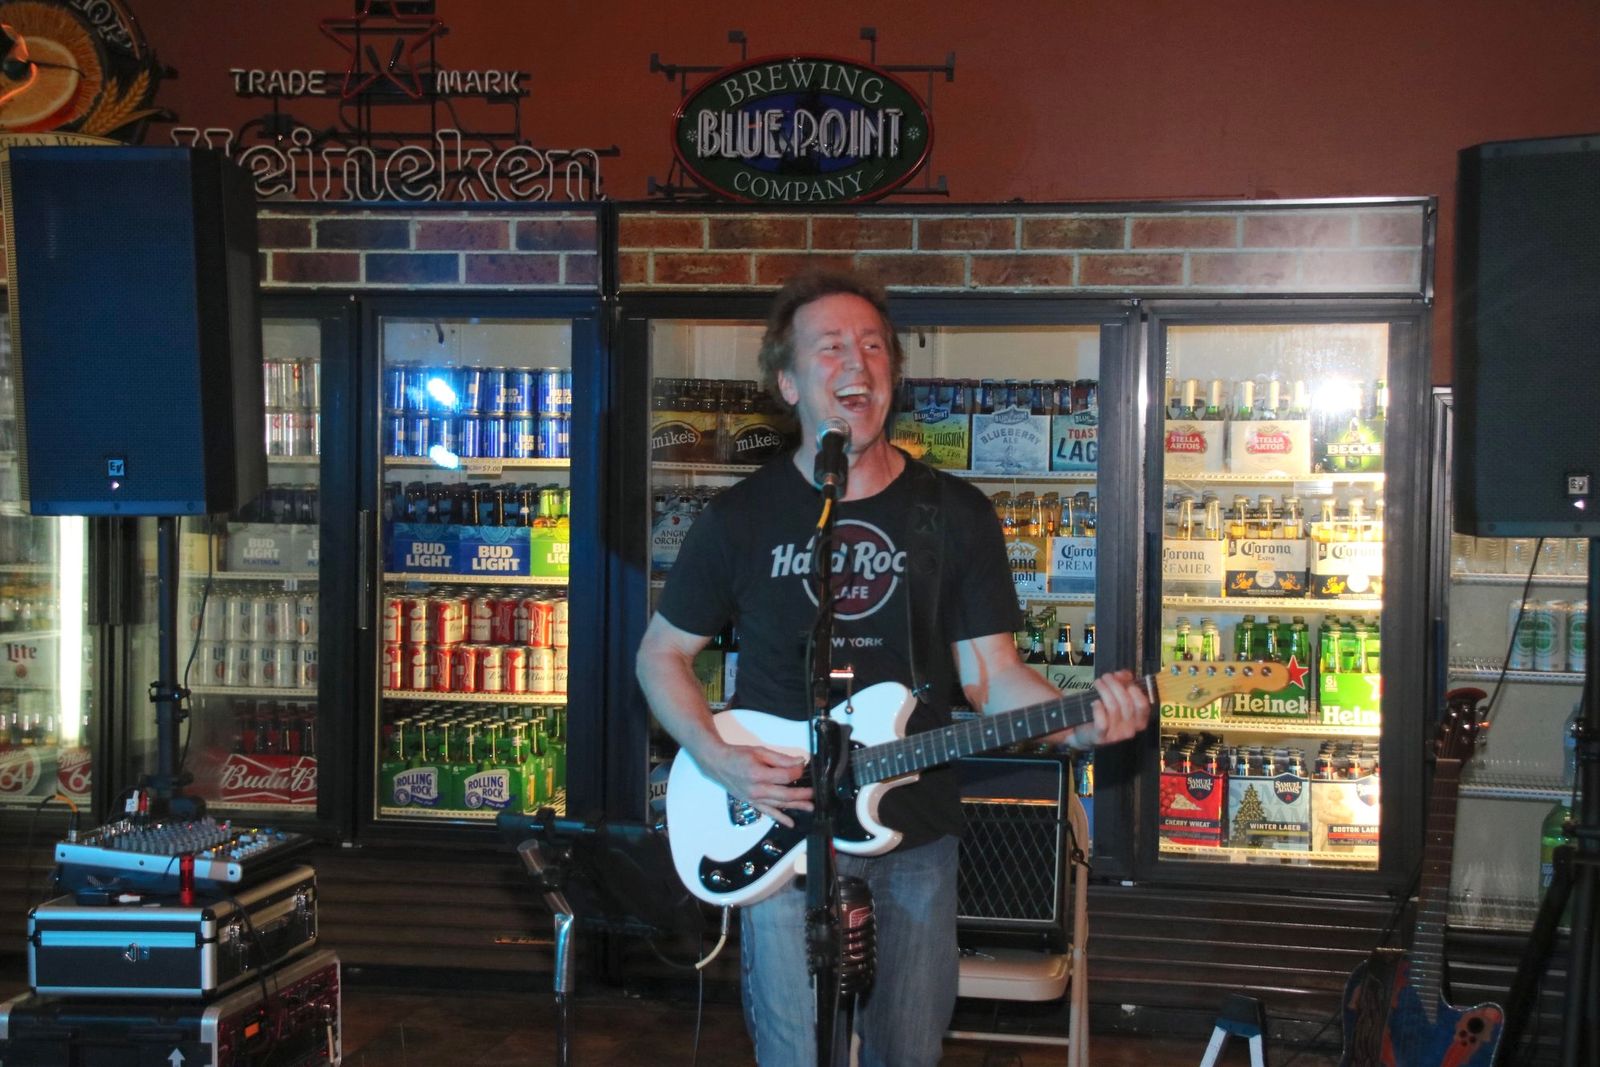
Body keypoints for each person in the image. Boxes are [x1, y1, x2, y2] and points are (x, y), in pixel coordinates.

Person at [635, 269, 1151, 1066]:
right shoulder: (739, 516)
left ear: (893, 377)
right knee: (794, 1052)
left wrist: (1076, 724)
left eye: (874, 346)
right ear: (788, 382)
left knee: (906, 1051)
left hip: (914, 833)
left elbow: (991, 676)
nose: (858, 362)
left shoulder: (955, 513)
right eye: (831, 347)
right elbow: (661, 653)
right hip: (779, 827)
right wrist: (718, 757)